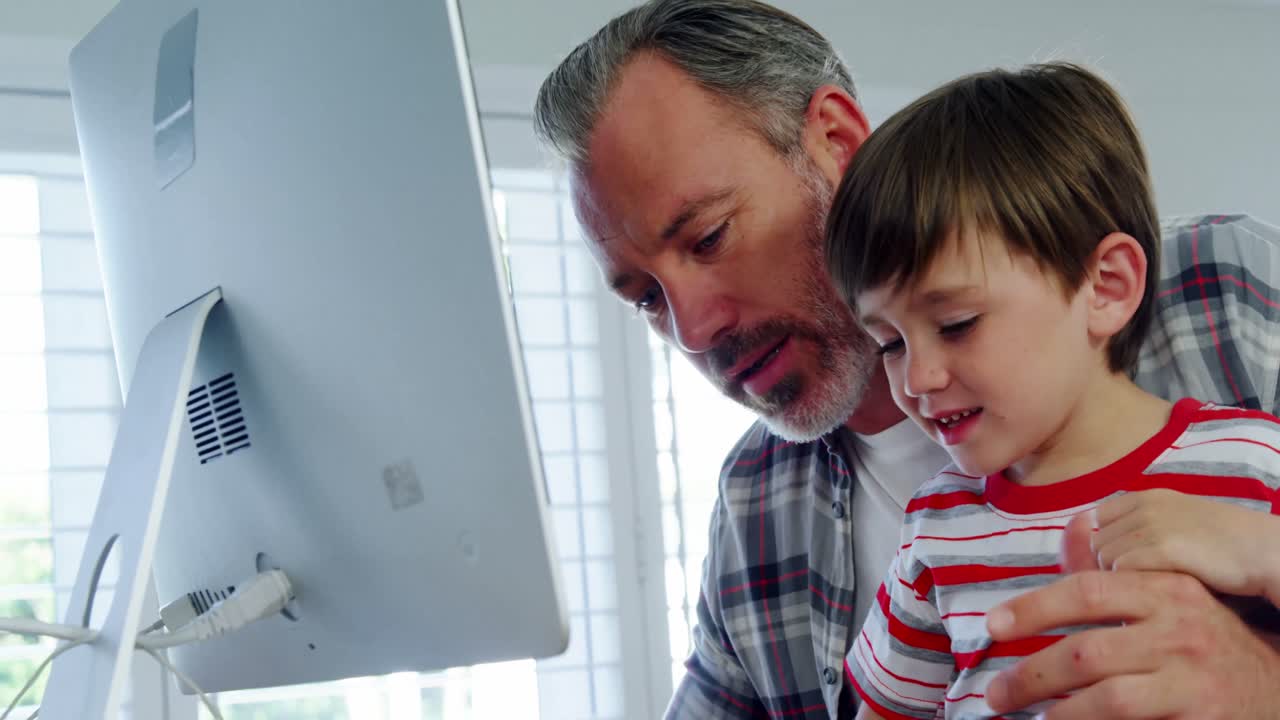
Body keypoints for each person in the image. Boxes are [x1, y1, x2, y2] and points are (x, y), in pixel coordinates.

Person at [532, 1, 1280, 717]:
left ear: (834, 143)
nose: (691, 332)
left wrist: (1263, 688)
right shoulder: (757, 509)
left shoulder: (1222, 290)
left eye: (709, 238)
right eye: (646, 299)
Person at [821, 61, 1280, 720]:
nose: (916, 379)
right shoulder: (936, 529)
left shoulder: (1255, 465)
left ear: (1106, 287)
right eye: (889, 343)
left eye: (956, 324)